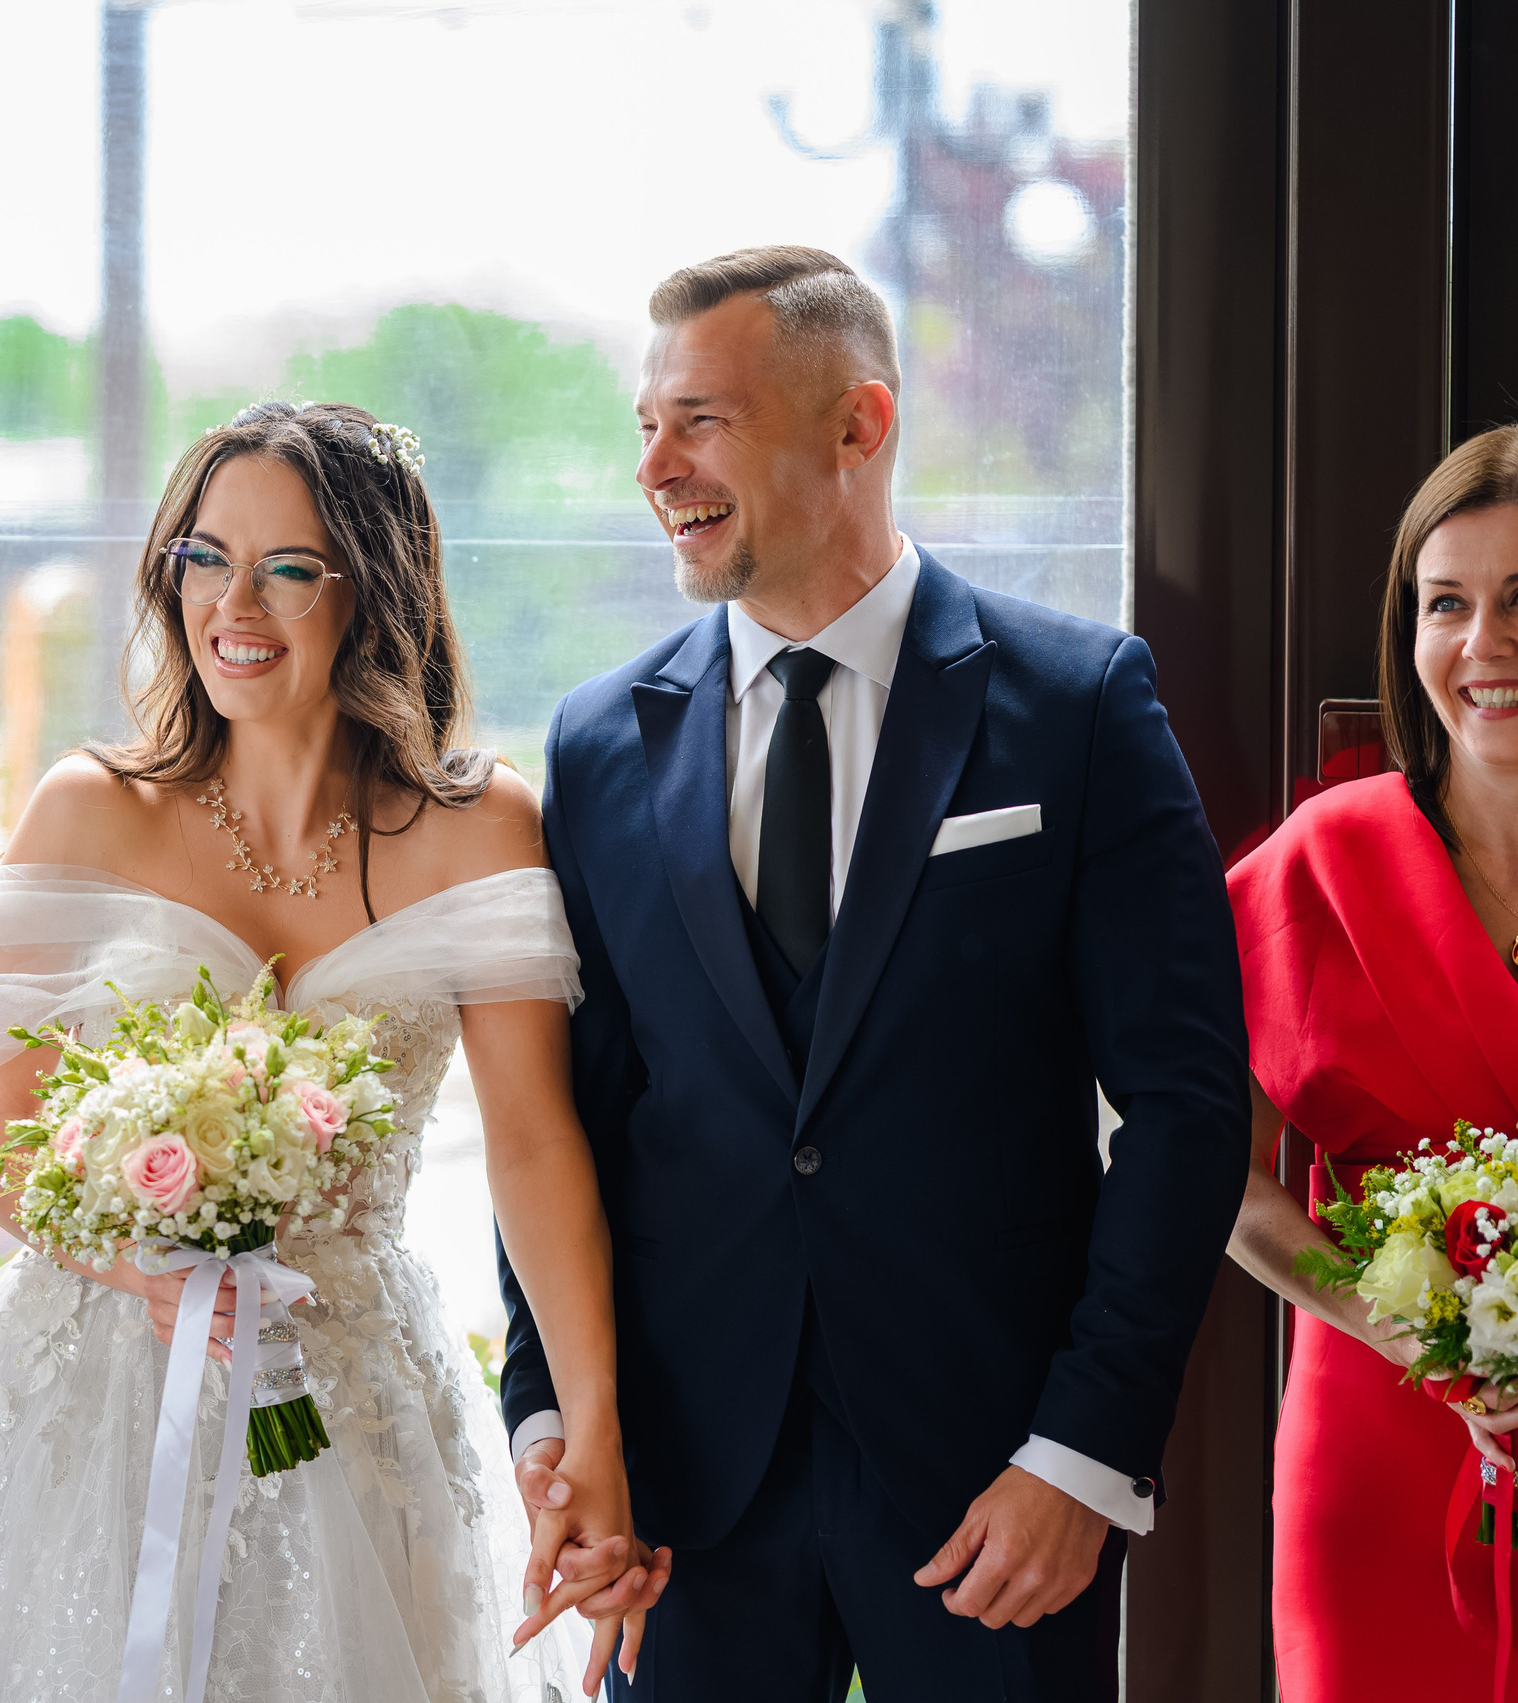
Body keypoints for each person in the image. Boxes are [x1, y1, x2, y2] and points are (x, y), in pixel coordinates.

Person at [0, 401, 649, 1702]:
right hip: (94, 1392)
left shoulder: (481, 827)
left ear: (373, 589)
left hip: (356, 1384)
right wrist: (140, 1264)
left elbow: (537, 1147)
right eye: (204, 557)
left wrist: (591, 1425)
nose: (232, 601)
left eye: (286, 566)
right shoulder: (87, 809)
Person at [502, 247, 1252, 1700]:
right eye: (645, 424)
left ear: (860, 425)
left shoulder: (1079, 701)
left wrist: (1082, 1453)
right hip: (683, 1500)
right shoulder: (599, 744)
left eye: (702, 419)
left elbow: (1185, 1102)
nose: (656, 464)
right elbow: (558, 1129)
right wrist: (553, 1418)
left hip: (993, 1482)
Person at [1225, 425, 1518, 1701]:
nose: (1482, 642)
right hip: (1381, 1421)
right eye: (1445, 601)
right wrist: (1418, 1333)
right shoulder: (1318, 861)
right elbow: (1214, 1173)